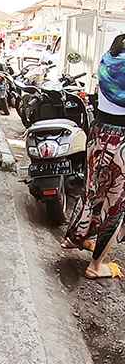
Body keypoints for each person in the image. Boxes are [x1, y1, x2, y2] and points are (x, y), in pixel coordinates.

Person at [63, 34, 125, 279]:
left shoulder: (107, 62)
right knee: (116, 204)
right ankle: (96, 266)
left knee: (91, 192)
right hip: (122, 141)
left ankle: (74, 238)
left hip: (98, 134)